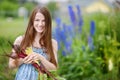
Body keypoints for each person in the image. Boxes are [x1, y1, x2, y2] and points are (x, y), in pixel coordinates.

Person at [9, 6, 58, 80]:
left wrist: (41, 58)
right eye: (37, 20)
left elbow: (54, 68)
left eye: (44, 20)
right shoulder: (21, 40)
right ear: (32, 21)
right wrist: (23, 60)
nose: (40, 24)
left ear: (48, 22)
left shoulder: (52, 43)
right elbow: (11, 65)